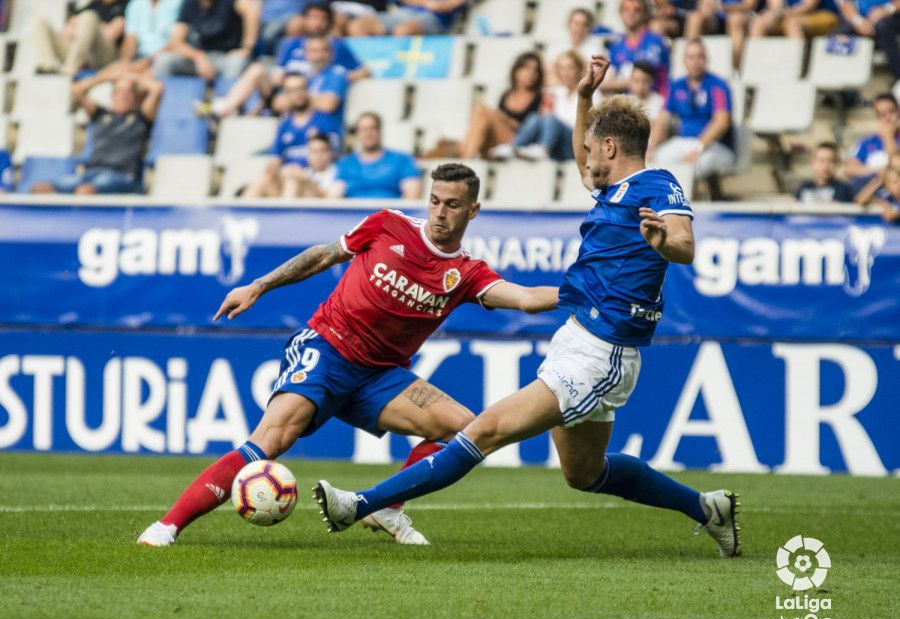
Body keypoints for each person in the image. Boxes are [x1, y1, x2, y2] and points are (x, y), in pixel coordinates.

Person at [313, 55, 742, 559]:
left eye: (590, 146)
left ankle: (363, 504)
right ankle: (708, 508)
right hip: (579, 337)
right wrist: (584, 97)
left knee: (485, 429)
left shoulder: (658, 183)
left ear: (610, 146)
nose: (583, 158)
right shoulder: (612, 187)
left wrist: (660, 242)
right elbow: (588, 167)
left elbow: (685, 248)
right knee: (584, 474)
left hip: (603, 352)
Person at [137, 162, 560, 547]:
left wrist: (585, 291)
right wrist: (258, 286)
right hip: (327, 348)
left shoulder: (466, 273)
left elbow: (524, 298)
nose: (439, 213)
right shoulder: (387, 226)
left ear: (473, 210)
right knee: (271, 440)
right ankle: (167, 526)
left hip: (380, 377)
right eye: (434, 201)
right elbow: (322, 255)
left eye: (452, 205)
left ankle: (386, 508)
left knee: (464, 429)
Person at [31, 65, 163, 195]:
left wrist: (130, 76)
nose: (122, 96)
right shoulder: (100, 114)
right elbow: (76, 90)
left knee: (85, 191)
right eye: (118, 91)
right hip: (91, 173)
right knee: (40, 189)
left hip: (121, 176)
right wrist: (106, 77)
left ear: (134, 96)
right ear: (112, 95)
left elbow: (157, 89)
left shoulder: (141, 118)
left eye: (127, 92)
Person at [199, 34, 352, 119]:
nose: (318, 56)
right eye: (313, 51)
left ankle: (225, 108)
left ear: (330, 54)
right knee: (257, 69)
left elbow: (328, 104)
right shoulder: (304, 73)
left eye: (322, 51)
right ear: (306, 54)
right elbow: (279, 102)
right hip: (283, 111)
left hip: (305, 121)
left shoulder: (336, 73)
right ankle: (227, 107)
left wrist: (295, 97)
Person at [648, 39, 735, 180]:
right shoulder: (676, 85)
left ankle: (696, 198)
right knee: (656, 161)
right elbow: (663, 119)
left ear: (706, 59)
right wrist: (652, 148)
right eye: (691, 57)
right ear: (684, 61)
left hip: (714, 145)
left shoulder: (718, 85)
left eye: (700, 56)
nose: (695, 61)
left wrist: (699, 148)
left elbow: (722, 122)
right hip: (682, 141)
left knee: (698, 164)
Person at [242, 71, 338, 197]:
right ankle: (239, 216)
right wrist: (273, 172)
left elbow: (330, 157)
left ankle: (285, 216)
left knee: (292, 179)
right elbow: (275, 159)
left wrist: (297, 171)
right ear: (285, 94)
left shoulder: (323, 120)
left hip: (313, 183)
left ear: (308, 90)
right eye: (291, 90)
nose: (297, 94)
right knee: (263, 179)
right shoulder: (284, 124)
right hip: (284, 179)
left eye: (301, 88)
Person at [493, 50, 590, 162]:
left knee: (552, 119)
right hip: (557, 144)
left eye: (571, 68)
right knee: (535, 117)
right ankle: (513, 147)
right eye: (562, 68)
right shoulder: (556, 92)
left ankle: (544, 148)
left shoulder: (589, 93)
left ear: (579, 70)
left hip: (575, 145)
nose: (566, 73)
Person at [457, 52, 543, 159]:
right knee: (481, 115)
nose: (530, 73)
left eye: (535, 70)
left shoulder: (539, 97)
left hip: (519, 142)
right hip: (498, 142)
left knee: (482, 110)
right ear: (516, 70)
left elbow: (535, 130)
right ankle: (465, 155)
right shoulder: (506, 95)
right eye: (525, 68)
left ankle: (464, 157)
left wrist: (507, 120)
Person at [153, 0, 261, 80]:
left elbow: (252, 11)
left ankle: (225, 107)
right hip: (201, 57)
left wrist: (247, 47)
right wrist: (197, 56)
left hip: (227, 57)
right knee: (164, 61)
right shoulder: (190, 4)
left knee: (236, 63)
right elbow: (176, 41)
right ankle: (166, 107)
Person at [329, 112, 422, 199]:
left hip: (389, 214)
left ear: (380, 131)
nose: (368, 134)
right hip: (354, 215)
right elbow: (333, 198)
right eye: (363, 129)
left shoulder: (402, 160)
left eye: (372, 128)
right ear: (357, 134)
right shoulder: (346, 163)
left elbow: (412, 197)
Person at [32, 0, 127, 75]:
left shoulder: (124, 4)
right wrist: (87, 30)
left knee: (89, 17)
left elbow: (112, 33)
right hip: (80, 48)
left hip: (104, 54)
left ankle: (69, 70)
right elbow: (67, 30)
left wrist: (91, 27)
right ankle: (47, 67)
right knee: (39, 23)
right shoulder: (94, 4)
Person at [602, 0, 670, 95]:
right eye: (626, 9)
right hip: (626, 102)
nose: (631, 12)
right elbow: (605, 83)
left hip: (653, 100)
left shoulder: (655, 42)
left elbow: (643, 80)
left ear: (645, 13)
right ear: (620, 14)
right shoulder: (616, 45)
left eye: (637, 9)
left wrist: (618, 84)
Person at [844, 93, 899, 196]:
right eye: (882, 114)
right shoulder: (867, 142)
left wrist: (888, 138)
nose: (888, 118)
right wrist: (876, 170)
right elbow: (849, 169)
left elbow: (896, 165)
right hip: (870, 195)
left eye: (891, 112)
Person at [834, 0, 900, 81]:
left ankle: (898, 76)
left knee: (882, 26)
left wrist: (888, 10)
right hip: (862, 18)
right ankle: (843, 84)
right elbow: (845, 3)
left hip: (892, 15)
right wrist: (858, 21)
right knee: (838, 36)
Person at [684, 0, 758, 69]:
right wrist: (706, 5)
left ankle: (735, 70)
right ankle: (689, 66)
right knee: (694, 17)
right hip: (716, 18)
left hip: (741, 16)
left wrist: (721, 7)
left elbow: (750, 5)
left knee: (736, 19)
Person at [544, 7, 606, 78]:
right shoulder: (555, 48)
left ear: (589, 28)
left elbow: (597, 75)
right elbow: (547, 71)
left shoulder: (597, 50)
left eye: (584, 24)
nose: (579, 28)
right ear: (568, 25)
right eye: (576, 24)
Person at [346, 0, 467, 36]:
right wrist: (425, 2)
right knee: (357, 26)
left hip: (435, 18)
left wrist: (445, 5)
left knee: (404, 30)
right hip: (403, 12)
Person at [119, 0, 184, 65]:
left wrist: (146, 62)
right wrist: (125, 63)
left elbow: (175, 42)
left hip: (165, 59)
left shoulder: (178, 3)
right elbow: (130, 38)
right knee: (114, 71)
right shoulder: (136, 3)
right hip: (140, 57)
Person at [750, 0, 840, 39]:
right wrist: (771, 15)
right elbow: (776, 6)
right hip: (790, 16)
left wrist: (782, 14)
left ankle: (795, 68)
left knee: (793, 24)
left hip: (824, 14)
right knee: (759, 22)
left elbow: (808, 6)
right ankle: (755, 67)